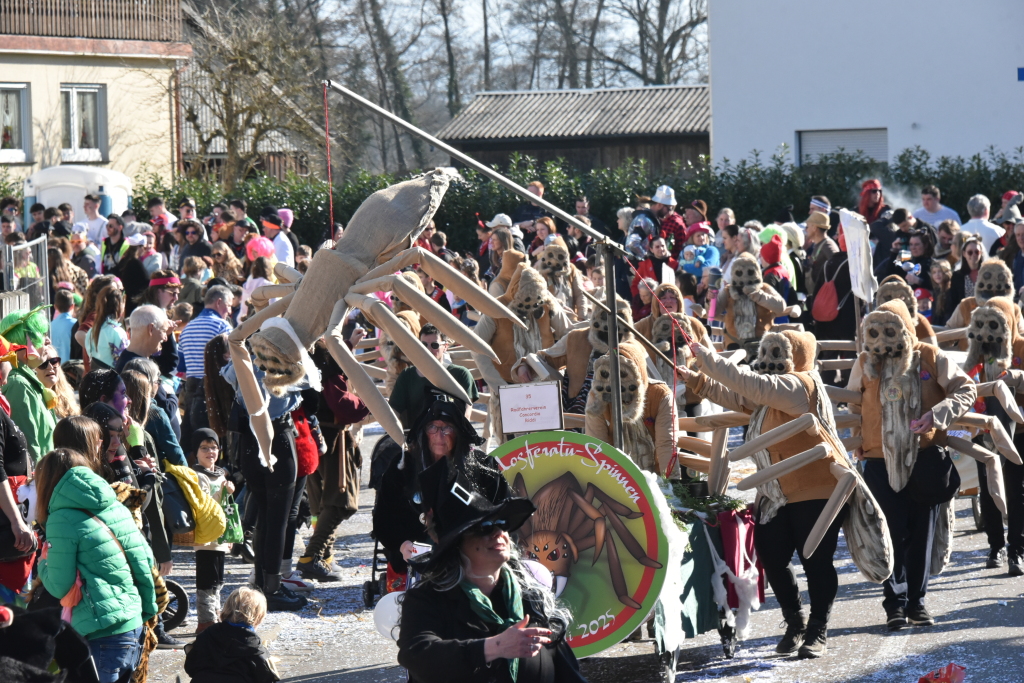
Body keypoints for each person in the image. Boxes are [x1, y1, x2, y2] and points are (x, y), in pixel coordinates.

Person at [846, 300, 975, 630]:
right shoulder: (865, 361)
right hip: (878, 459)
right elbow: (853, 402)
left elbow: (966, 388)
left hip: (924, 458)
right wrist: (858, 438)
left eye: (891, 329)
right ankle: (895, 605)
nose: (884, 340)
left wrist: (938, 414)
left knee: (921, 533)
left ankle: (917, 602)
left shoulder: (930, 355)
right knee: (889, 533)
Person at [396, 462, 585, 683]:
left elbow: (568, 674)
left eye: (501, 523)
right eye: (484, 527)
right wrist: (495, 647)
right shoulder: (429, 598)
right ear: (456, 543)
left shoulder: (531, 597)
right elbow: (417, 655)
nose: (498, 533)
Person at [36, 448, 159, 683]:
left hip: (101, 631)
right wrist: (147, 608)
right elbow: (145, 560)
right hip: (132, 622)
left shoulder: (61, 519)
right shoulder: (115, 506)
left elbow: (60, 586)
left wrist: (43, 563)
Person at [375, 399, 511, 578]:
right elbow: (383, 519)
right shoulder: (403, 467)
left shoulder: (483, 467)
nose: (439, 436)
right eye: (433, 427)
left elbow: (504, 514)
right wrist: (402, 545)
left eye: (447, 428)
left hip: (474, 556)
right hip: (416, 556)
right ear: (424, 431)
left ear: (459, 433)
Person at [177, 285, 233, 453]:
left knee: (194, 443)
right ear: (219, 302)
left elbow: (182, 368)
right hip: (217, 393)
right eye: (229, 305)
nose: (229, 311)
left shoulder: (186, 329)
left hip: (191, 391)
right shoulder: (223, 328)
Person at [389, 324, 478, 430]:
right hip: (417, 440)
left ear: (445, 347)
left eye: (434, 345)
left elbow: (466, 413)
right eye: (424, 344)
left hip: (451, 437)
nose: (428, 349)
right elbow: (394, 411)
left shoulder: (461, 374)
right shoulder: (407, 376)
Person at [189, 428, 235, 632]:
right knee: (207, 580)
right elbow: (205, 505)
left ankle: (215, 615)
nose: (210, 452)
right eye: (204, 448)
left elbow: (227, 508)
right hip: (206, 536)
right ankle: (206, 621)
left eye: (214, 447)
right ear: (196, 452)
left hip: (220, 537)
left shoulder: (220, 473)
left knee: (218, 580)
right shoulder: (199, 476)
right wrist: (224, 491)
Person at [183, 586, 278, 683]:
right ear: (259, 617)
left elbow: (191, 666)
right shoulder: (254, 646)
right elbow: (266, 677)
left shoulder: (208, 635)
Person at [0, 310, 56, 463]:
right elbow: (28, 451)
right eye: (42, 335)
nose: (48, 340)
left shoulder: (27, 381)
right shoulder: (18, 385)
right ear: (25, 340)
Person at [84, 285, 128, 370]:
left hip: (95, 377)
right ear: (120, 306)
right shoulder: (117, 332)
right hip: (112, 380)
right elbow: (123, 363)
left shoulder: (91, 331)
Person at [34, 344, 78, 420]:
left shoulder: (67, 396)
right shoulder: (31, 398)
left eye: (54, 361)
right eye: (43, 363)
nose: (50, 367)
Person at [804, 211, 839, 297]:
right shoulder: (819, 244)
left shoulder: (828, 245)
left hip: (824, 297)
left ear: (814, 228)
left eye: (807, 227)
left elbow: (837, 268)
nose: (806, 230)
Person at [51, 289, 77, 363]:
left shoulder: (50, 325)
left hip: (55, 366)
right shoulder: (75, 324)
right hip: (71, 369)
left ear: (55, 307)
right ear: (72, 306)